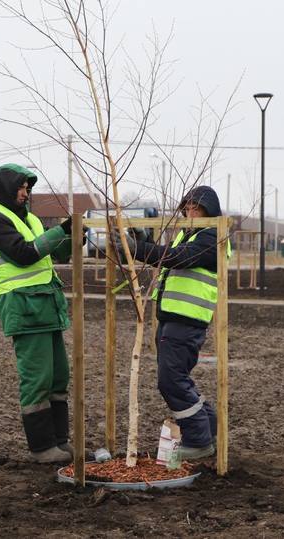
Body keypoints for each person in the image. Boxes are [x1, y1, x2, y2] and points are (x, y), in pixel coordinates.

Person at [0, 164, 84, 463]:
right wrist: (60, 230)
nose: (26, 193)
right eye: (22, 187)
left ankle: (59, 442)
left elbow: (55, 251)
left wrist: (74, 236)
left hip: (46, 306)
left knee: (57, 376)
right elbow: (24, 254)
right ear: (7, 188)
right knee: (37, 378)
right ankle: (41, 447)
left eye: (28, 188)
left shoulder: (32, 220)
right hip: (23, 308)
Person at [113, 185, 227, 460]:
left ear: (208, 211)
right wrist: (145, 242)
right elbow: (168, 259)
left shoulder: (212, 237)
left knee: (170, 380)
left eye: (195, 208)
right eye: (186, 207)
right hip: (171, 317)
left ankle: (199, 440)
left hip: (187, 320)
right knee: (177, 378)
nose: (189, 212)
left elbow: (178, 257)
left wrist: (138, 248)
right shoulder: (188, 236)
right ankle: (209, 425)